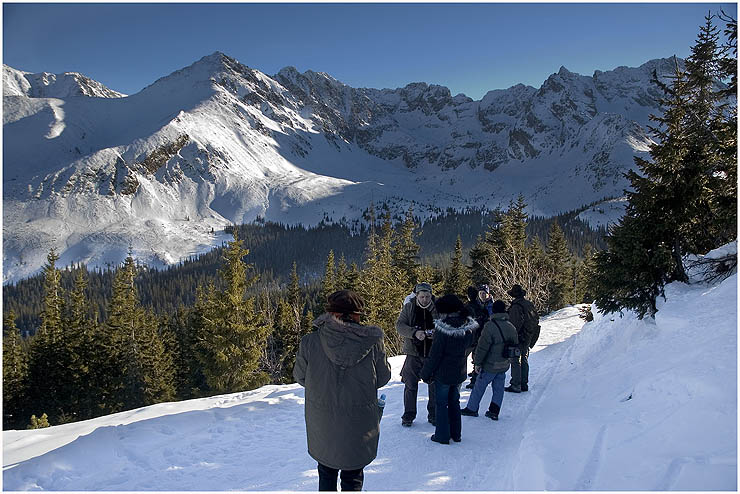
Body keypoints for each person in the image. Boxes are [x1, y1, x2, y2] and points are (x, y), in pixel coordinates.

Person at [294, 290, 391, 491]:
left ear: (332, 313)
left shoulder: (310, 342)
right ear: (356, 315)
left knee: (326, 472)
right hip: (359, 423)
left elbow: (301, 377)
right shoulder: (372, 342)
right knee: (353, 476)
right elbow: (383, 377)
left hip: (323, 422)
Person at [419, 294, 476, 444]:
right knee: (454, 402)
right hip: (460, 370)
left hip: (443, 373)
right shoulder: (467, 326)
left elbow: (435, 354)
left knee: (441, 403)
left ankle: (442, 435)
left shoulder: (443, 327)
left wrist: (425, 373)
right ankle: (456, 434)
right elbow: (470, 344)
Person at [461, 300, 519, 420]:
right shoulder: (511, 326)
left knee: (479, 386)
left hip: (490, 365)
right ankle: (494, 411)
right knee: (498, 388)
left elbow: (482, 347)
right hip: (504, 363)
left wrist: (477, 362)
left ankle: (472, 408)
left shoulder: (490, 326)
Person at [396, 282, 438, 427]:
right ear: (417, 296)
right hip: (413, 353)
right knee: (410, 385)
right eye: (422, 296)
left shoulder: (437, 309)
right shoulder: (409, 308)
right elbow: (400, 326)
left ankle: (433, 414)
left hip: (432, 354)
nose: (425, 299)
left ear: (431, 296)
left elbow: (445, 326)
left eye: (427, 297)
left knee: (433, 385)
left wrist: (436, 334)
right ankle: (409, 415)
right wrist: (414, 333)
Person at [505, 284, 539, 393]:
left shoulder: (516, 307)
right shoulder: (529, 304)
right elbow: (535, 319)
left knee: (515, 360)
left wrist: (510, 337)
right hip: (528, 336)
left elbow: (514, 324)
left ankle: (516, 384)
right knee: (524, 359)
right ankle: (524, 383)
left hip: (519, 337)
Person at [464, 284, 493, 389]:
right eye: (480, 293)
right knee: (474, 357)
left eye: (484, 293)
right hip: (475, 334)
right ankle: (475, 374)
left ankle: (475, 378)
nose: (482, 295)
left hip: (480, 335)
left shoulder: (490, 305)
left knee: (477, 357)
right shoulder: (477, 305)